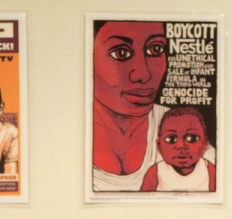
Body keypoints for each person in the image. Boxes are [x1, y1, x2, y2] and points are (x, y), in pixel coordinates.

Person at [91, 21, 214, 192]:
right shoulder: (68, 135)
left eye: (155, 50)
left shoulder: (181, 124)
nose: (143, 74)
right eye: (121, 53)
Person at [140, 107, 215, 192]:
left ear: (204, 144)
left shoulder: (208, 170)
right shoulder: (156, 172)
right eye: (171, 139)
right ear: (159, 146)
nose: (181, 146)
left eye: (192, 138)